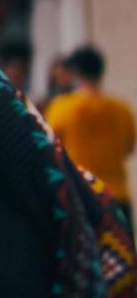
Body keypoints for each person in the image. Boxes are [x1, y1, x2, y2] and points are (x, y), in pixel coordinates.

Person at [45, 44, 136, 222]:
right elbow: (129, 147)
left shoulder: (61, 108)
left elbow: (48, 146)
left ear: (75, 72)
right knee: (121, 248)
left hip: (81, 193)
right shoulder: (122, 109)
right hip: (117, 195)